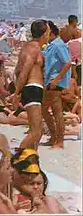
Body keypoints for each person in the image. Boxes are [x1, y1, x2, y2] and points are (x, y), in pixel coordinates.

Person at [9, 20, 50, 150]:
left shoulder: (30, 47)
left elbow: (17, 70)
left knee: (36, 131)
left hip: (33, 89)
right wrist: (16, 94)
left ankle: (32, 160)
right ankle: (17, 160)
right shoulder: (33, 48)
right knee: (36, 131)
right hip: (32, 89)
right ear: (44, 34)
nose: (49, 34)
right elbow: (24, 71)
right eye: (48, 31)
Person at [41, 21, 72, 149]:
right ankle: (54, 137)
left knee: (56, 111)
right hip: (50, 81)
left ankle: (59, 140)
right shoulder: (50, 46)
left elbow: (67, 63)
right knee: (44, 109)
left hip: (55, 82)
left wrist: (56, 79)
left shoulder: (59, 45)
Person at [11, 148, 68, 213]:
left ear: (44, 184)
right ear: (22, 184)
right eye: (31, 184)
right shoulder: (16, 198)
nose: (36, 187)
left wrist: (42, 206)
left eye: (39, 183)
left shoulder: (48, 200)